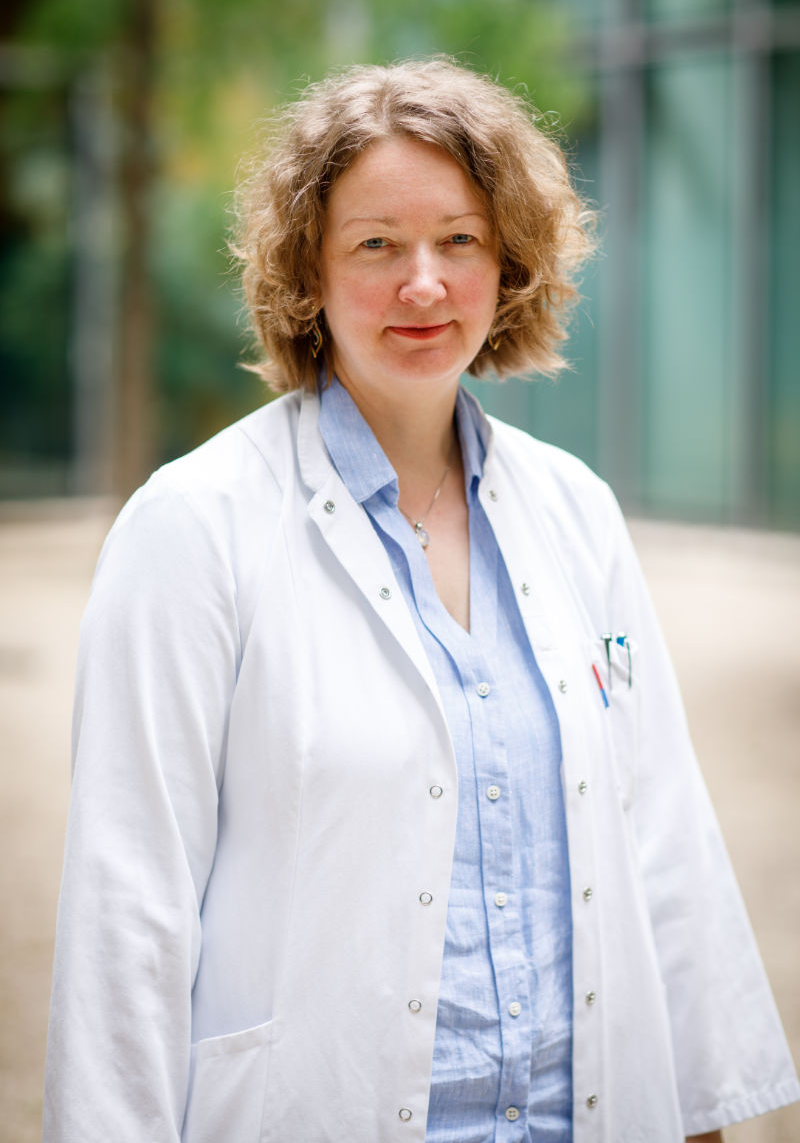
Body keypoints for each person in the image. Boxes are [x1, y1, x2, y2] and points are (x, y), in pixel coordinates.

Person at [44, 58, 798, 1143]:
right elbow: (128, 908)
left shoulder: (575, 512)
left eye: (460, 240)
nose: (425, 285)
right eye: (376, 245)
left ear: (508, 261)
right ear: (307, 270)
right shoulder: (192, 529)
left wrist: (700, 1117)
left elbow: (659, 838)